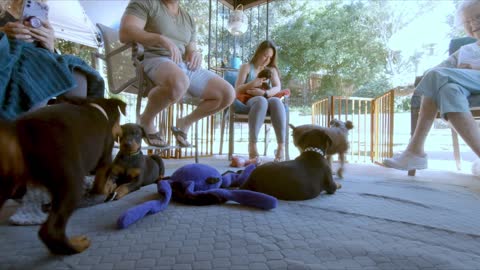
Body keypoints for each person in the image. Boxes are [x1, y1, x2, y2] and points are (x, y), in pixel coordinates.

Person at [119, 0, 235, 147]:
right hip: (154, 59)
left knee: (227, 94)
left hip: (182, 65)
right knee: (180, 82)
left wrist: (195, 53)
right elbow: (125, 32)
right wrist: (159, 39)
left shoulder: (187, 18)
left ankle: (185, 122)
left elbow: (190, 49)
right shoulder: (146, 3)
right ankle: (146, 120)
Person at [383, 0, 480, 173]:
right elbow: (436, 70)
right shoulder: (464, 50)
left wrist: (473, 68)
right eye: (468, 21)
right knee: (447, 90)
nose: (473, 23)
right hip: (465, 88)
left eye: (478, 17)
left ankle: (415, 150)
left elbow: (437, 74)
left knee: (437, 77)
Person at [0, 0, 104, 120]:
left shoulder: (36, 10)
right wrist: (3, 33)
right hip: (9, 56)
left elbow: (43, 53)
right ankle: (19, 130)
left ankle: (68, 132)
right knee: (38, 70)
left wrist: (49, 44)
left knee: (78, 75)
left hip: (31, 58)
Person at [234, 40, 286, 162]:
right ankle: (252, 144)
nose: (266, 60)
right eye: (264, 55)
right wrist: (253, 83)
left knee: (276, 102)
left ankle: (281, 146)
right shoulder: (246, 67)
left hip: (266, 97)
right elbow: (237, 89)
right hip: (250, 100)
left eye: (270, 57)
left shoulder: (271, 70)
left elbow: (277, 87)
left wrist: (265, 93)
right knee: (261, 101)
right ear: (258, 53)